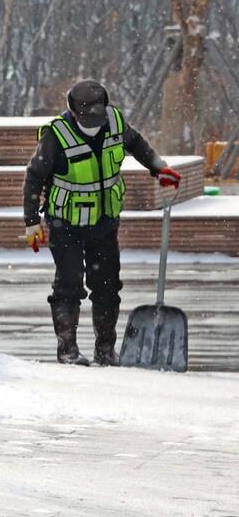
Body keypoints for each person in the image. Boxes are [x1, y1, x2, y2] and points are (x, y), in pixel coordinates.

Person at [24, 79, 181, 365]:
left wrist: (160, 168)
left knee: (107, 285)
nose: (94, 123)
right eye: (87, 118)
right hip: (66, 223)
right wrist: (32, 221)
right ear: (73, 113)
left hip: (104, 222)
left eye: (97, 116)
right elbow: (34, 176)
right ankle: (68, 350)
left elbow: (137, 144)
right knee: (69, 285)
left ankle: (105, 350)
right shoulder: (56, 135)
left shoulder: (114, 122)